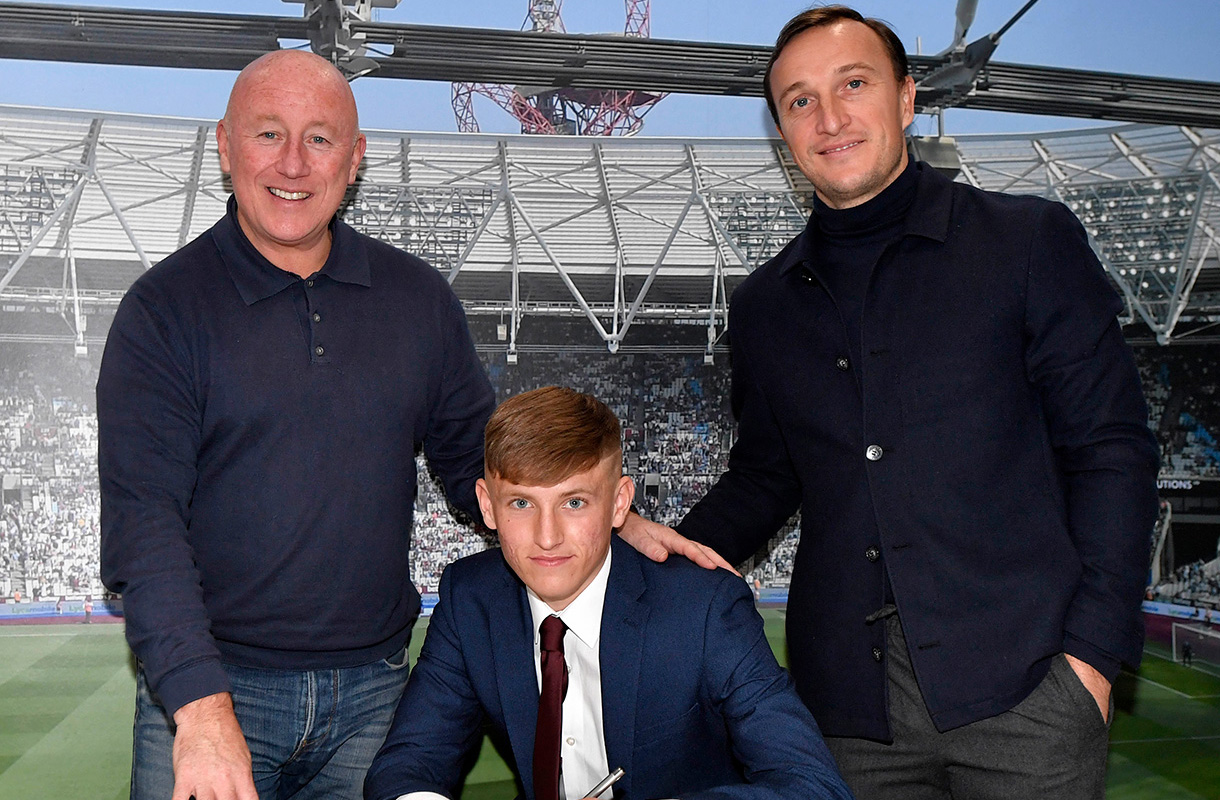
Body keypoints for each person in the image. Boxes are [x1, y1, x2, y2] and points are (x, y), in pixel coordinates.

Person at [618, 6, 1160, 798]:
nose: (830, 117)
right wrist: (645, 547)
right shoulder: (765, 304)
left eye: (854, 84)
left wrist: (1092, 661)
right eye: (800, 101)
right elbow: (768, 477)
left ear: (907, 98)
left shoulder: (1027, 242)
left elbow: (1111, 450)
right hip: (845, 712)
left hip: (1030, 692)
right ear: (783, 132)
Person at [97, 50, 495, 800]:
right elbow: (143, 525)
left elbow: (483, 465)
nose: (293, 163)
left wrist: (609, 519)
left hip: (377, 697)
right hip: (216, 692)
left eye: (319, 138)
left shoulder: (419, 300)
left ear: (355, 160)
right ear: (224, 145)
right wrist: (203, 710)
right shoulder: (162, 311)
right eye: (267, 133)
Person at [364, 386, 854, 800]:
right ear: (486, 508)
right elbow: (407, 765)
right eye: (520, 503)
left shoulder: (703, 607)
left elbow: (811, 784)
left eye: (574, 502)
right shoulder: (471, 599)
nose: (548, 535)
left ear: (620, 503)